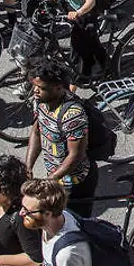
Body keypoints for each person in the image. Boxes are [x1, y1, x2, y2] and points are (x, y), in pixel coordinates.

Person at [25, 55, 97, 218]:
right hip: (56, 178)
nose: (35, 91)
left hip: (75, 183)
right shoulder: (41, 101)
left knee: (74, 223)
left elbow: (75, 155)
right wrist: (28, 167)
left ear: (58, 87)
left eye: (41, 87)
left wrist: (49, 180)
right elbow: (37, 131)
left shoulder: (73, 115)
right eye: (34, 85)